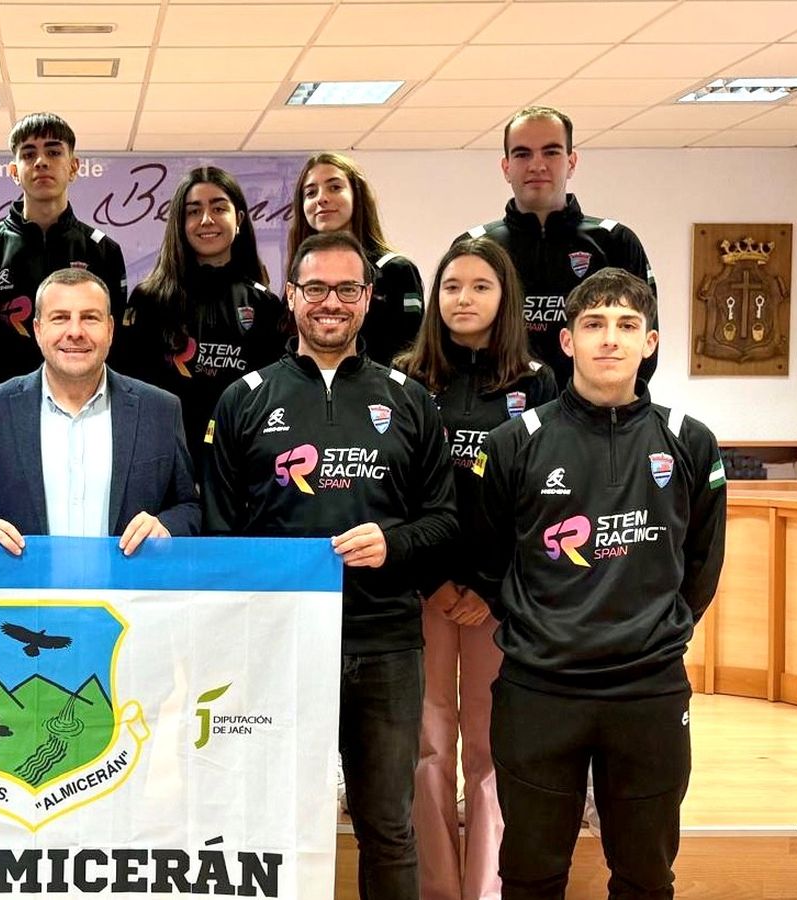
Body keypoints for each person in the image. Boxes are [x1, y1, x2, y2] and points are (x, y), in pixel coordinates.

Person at [203, 230, 457, 900]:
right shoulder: (243, 400)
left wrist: (394, 544)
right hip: (277, 652)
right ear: (291, 296)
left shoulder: (409, 400)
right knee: (270, 821)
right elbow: (218, 531)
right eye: (315, 288)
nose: (331, 303)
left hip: (384, 646)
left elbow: (445, 522)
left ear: (369, 298)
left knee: (387, 826)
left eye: (347, 289)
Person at [471, 268, 726, 900]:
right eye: (593, 324)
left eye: (626, 325)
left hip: (649, 691)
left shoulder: (690, 440)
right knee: (529, 875)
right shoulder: (514, 443)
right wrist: (541, 626)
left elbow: (702, 563)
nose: (609, 339)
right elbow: (487, 559)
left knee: (645, 875)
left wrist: (652, 632)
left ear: (650, 342)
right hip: (540, 690)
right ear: (567, 342)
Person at [393, 238, 557, 900]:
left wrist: (489, 586)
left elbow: (544, 497)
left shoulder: (538, 383)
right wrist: (433, 579)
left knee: (491, 751)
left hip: (498, 598)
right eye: (452, 285)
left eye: (480, 286)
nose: (464, 298)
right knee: (429, 748)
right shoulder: (404, 377)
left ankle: (487, 889)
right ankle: (438, 888)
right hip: (425, 591)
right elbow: (398, 493)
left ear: (505, 297)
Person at [0, 267, 200, 555]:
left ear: (109, 329)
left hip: (126, 595)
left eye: (89, 318)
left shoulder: (160, 410)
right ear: (37, 329)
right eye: (60, 318)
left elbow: (188, 507)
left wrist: (166, 526)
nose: (74, 332)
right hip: (22, 595)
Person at [463, 105, 657, 389]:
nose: (537, 165)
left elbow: (641, 338)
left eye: (551, 152)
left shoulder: (615, 242)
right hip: (498, 413)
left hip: (589, 415)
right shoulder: (475, 247)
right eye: (522, 153)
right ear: (506, 167)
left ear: (572, 162)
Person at [112, 165, 287, 456]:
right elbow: (129, 391)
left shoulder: (265, 305)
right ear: (179, 223)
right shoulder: (148, 299)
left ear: (239, 219)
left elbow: (272, 401)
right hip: (163, 457)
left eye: (219, 208)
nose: (206, 220)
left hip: (238, 463)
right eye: (193, 211)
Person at [0, 112, 128, 390]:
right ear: (14, 172)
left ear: (74, 167)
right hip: (5, 404)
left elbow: (115, 343)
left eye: (53, 152)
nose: (41, 162)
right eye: (28, 154)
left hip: (84, 401)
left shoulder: (103, 250)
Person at [287, 151, 422, 366]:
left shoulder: (396, 270)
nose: (321, 198)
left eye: (335, 187)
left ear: (357, 195)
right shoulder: (296, 276)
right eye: (311, 192)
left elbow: (410, 353)